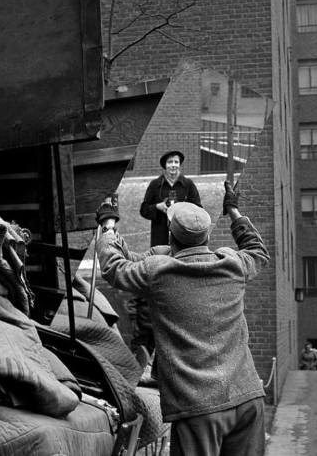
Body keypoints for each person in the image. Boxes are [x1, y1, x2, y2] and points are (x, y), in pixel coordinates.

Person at [95, 182, 270, 456]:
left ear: (170, 236)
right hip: (247, 398)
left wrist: (108, 225)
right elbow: (257, 250)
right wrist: (233, 210)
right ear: (207, 237)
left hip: (199, 408)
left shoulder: (159, 272)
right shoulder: (232, 264)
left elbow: (114, 267)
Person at [131, 150, 202, 355]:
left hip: (181, 240)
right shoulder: (155, 185)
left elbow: (198, 208)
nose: (173, 166)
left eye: (176, 162)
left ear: (180, 166)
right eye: (170, 162)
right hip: (161, 238)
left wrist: (182, 208)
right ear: (165, 166)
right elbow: (144, 209)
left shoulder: (187, 185)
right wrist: (159, 208)